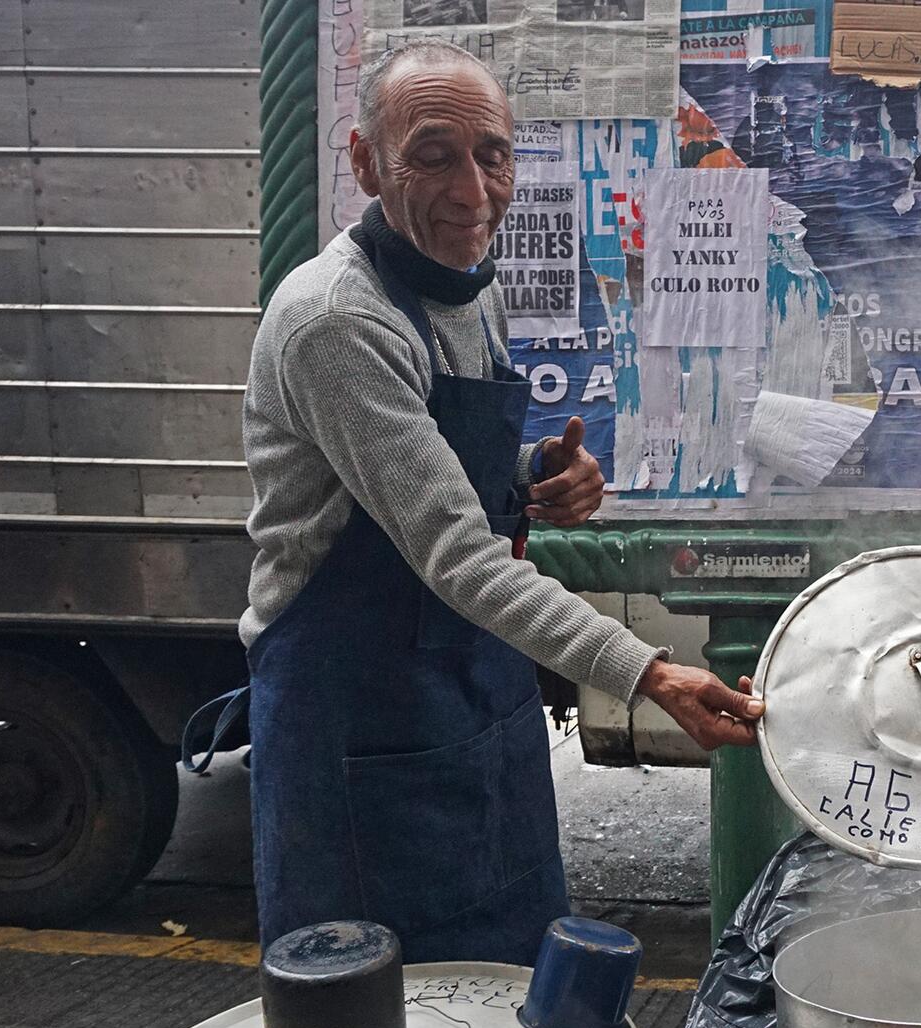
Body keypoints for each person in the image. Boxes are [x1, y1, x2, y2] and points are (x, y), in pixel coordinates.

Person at [230, 41, 761, 965]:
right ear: (365, 163)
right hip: (352, 718)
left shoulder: (469, 286)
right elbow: (459, 556)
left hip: (473, 698)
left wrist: (532, 478)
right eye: (432, 155)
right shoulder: (339, 322)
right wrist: (649, 672)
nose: (474, 192)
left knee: (512, 988)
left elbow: (438, 466)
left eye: (494, 155)